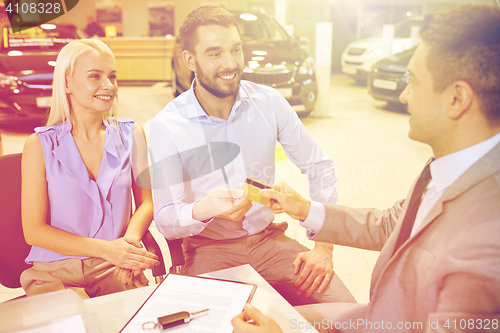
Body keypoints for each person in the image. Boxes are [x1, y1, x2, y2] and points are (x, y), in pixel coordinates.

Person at [232, 4, 500, 332]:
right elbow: (390, 224)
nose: (404, 96)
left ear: (457, 99)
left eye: (413, 82)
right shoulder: (452, 167)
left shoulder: (484, 245)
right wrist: (304, 209)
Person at [149, 5, 355, 305]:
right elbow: (166, 219)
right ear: (190, 60)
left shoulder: (269, 102)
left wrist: (323, 248)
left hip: (269, 240)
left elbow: (320, 167)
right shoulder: (168, 126)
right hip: (209, 249)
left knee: (347, 314)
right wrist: (205, 209)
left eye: (236, 50)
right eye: (215, 53)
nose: (231, 63)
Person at [20, 39, 160, 299]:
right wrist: (106, 249)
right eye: (95, 76)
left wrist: (128, 245)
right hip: (54, 271)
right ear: (66, 83)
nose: (109, 85)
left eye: (112, 76)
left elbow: (146, 204)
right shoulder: (38, 145)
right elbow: (34, 231)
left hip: (115, 267)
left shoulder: (132, 135)